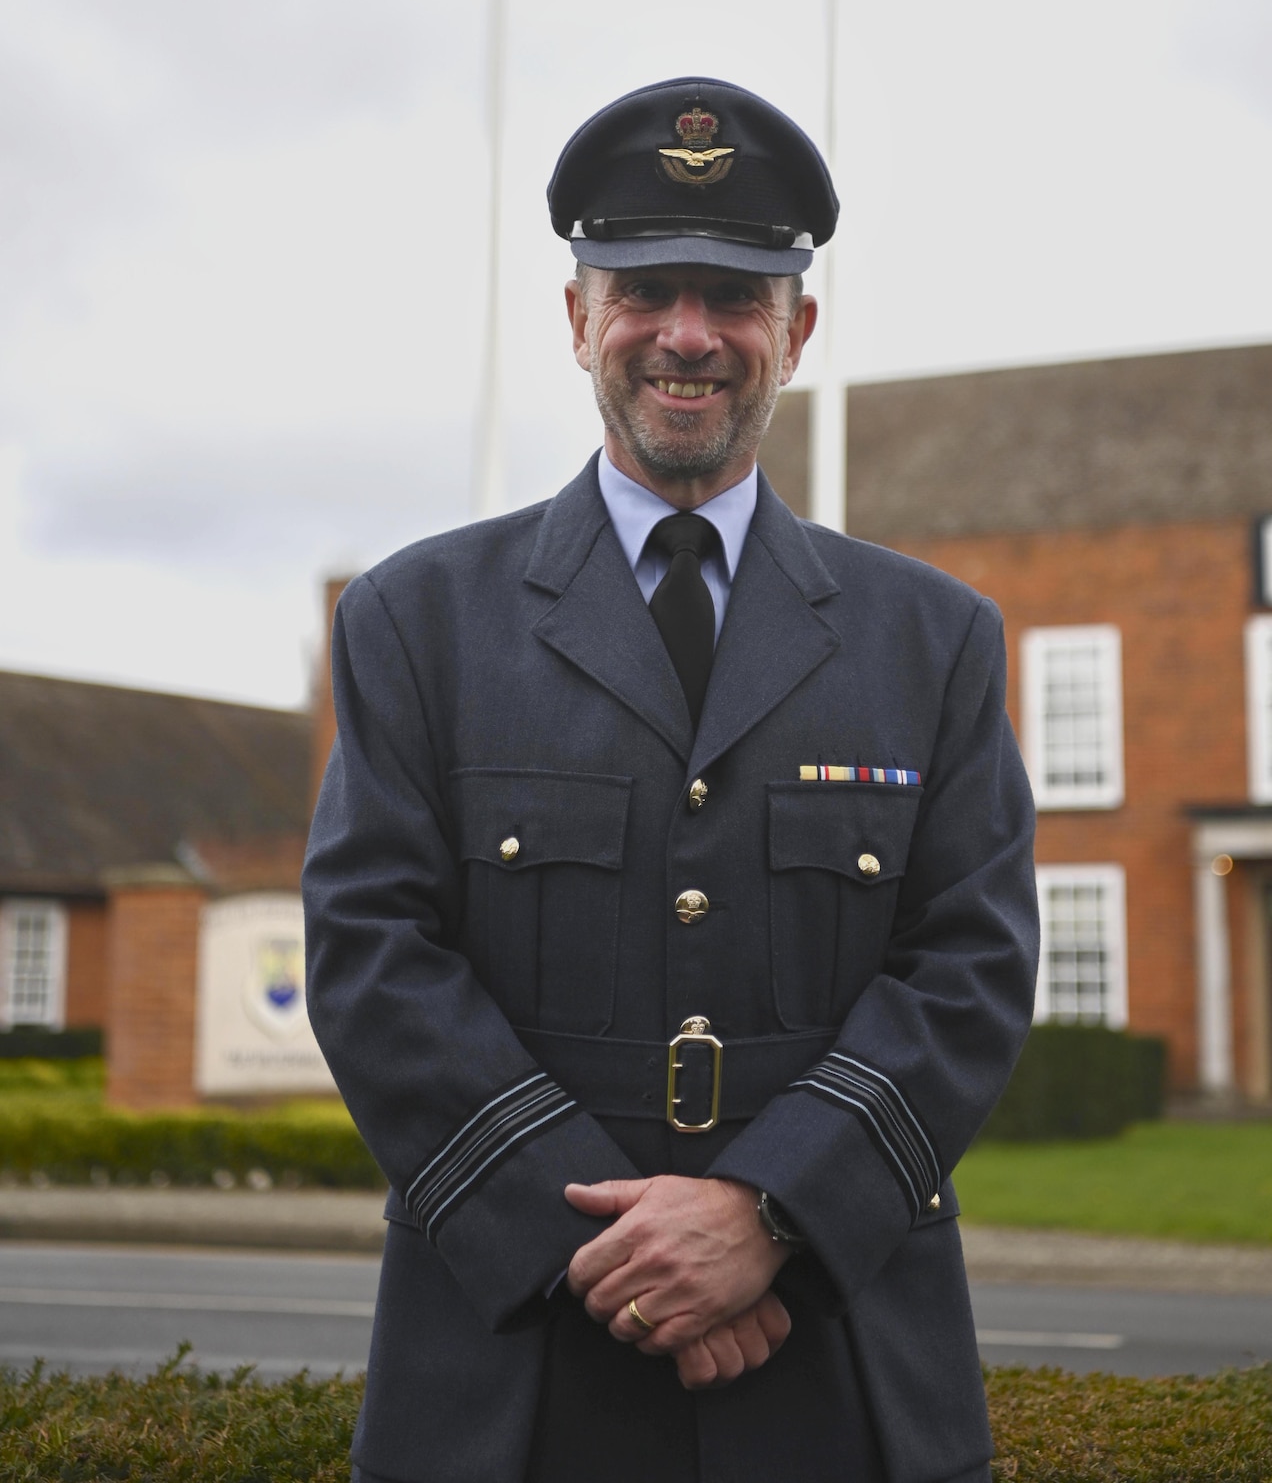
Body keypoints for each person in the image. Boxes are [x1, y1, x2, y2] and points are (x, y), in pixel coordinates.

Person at [303, 76, 1038, 1483]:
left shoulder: (932, 638)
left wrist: (767, 1216)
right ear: (578, 316)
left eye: (735, 293)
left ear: (796, 329)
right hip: (512, 1373)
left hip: (833, 1365)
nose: (687, 335)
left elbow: (971, 965)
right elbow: (374, 961)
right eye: (644, 289)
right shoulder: (417, 622)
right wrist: (622, 1252)